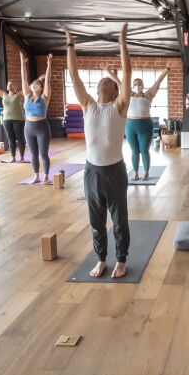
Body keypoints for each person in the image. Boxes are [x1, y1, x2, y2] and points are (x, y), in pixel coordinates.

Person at [65, 23, 131, 278]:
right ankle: (101, 258)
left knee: (119, 220)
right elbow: (74, 74)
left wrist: (122, 42)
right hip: (91, 171)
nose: (104, 80)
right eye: (102, 80)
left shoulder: (119, 107)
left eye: (109, 81)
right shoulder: (88, 105)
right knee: (96, 221)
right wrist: (70, 43)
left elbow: (127, 72)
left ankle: (121, 260)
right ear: (97, 90)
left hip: (114, 171)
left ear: (114, 90)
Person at [117, 65, 169, 180]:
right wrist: (107, 70)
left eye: (139, 84)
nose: (137, 86)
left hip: (145, 126)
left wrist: (166, 70)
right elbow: (119, 82)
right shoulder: (128, 94)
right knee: (134, 151)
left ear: (143, 86)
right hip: (130, 126)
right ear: (132, 86)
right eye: (135, 84)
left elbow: (158, 81)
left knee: (144, 150)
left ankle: (146, 172)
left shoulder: (148, 94)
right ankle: (135, 173)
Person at [20, 54, 54, 184]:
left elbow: (48, 80)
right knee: (33, 154)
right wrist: (22, 63)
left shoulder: (45, 97)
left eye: (37, 84)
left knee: (43, 154)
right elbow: (24, 78)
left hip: (42, 128)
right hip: (28, 128)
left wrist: (49, 64)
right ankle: (36, 176)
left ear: (40, 87)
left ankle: (45, 176)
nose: (34, 85)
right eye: (33, 84)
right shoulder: (27, 95)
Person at [0, 71, 25, 163]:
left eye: (12, 84)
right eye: (9, 84)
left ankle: (22, 158)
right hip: (7, 120)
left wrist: (39, 80)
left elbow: (29, 87)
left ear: (16, 87)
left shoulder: (19, 95)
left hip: (18, 120)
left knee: (20, 138)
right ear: (7, 86)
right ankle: (13, 157)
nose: (10, 86)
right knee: (11, 139)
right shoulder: (4, 94)